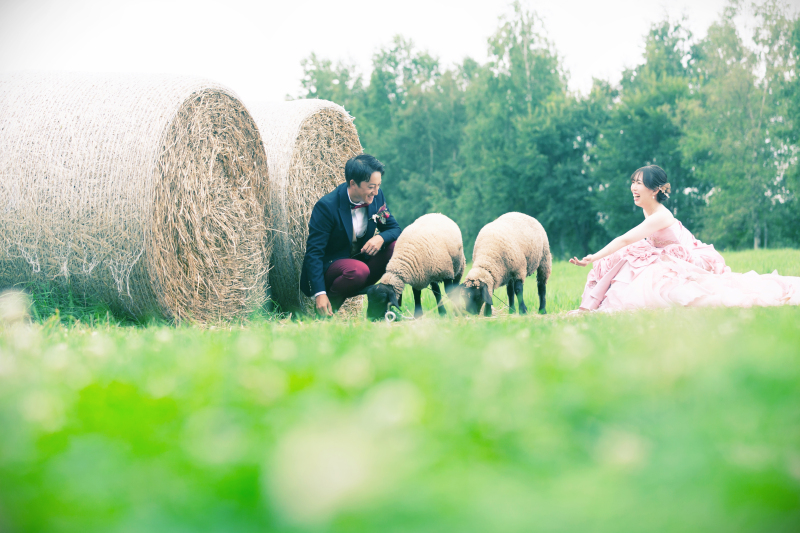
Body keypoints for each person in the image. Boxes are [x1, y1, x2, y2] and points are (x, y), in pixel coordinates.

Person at [570, 165, 800, 311]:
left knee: (640, 265)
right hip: (669, 256)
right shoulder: (648, 210)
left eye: (639, 183)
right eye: (633, 182)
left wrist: (593, 257)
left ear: (655, 190)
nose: (633, 187)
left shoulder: (660, 215)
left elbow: (624, 240)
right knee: (629, 261)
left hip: (688, 259)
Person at [300, 154, 402, 317]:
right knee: (358, 270)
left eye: (378, 186)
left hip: (362, 265)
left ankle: (381, 310)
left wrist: (381, 237)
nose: (376, 192)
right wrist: (319, 293)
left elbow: (394, 229)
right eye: (371, 186)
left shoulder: (377, 197)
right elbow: (314, 253)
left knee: (396, 247)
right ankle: (325, 314)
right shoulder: (326, 207)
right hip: (333, 269)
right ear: (353, 183)